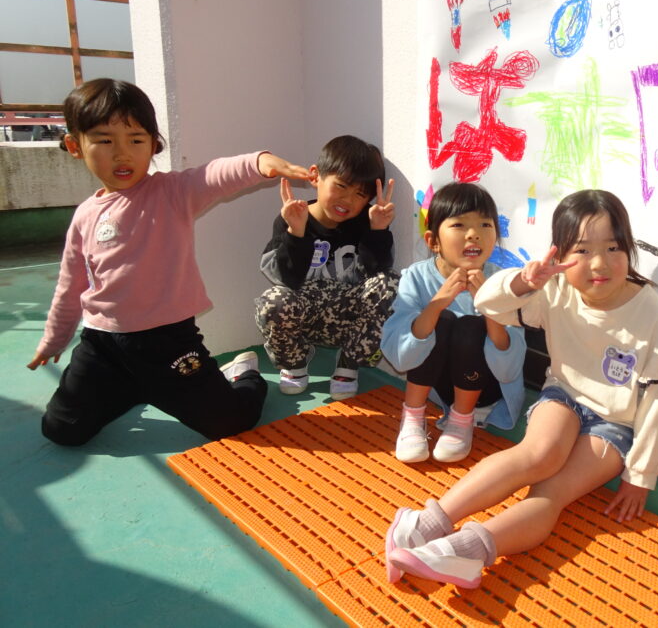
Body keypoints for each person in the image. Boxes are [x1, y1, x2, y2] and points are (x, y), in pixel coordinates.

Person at [384, 189, 658, 588]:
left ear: (628, 248)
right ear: (560, 253)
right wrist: (522, 281)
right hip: (564, 396)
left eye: (613, 247)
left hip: (615, 425)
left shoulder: (653, 313)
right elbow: (491, 305)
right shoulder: (556, 288)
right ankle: (426, 523)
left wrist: (641, 475)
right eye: (582, 250)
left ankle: (464, 552)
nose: (599, 263)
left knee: (552, 492)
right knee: (537, 454)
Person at [29, 78, 314, 446]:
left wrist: (263, 162)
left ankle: (244, 375)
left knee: (230, 423)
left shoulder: (172, 192)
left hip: (170, 344)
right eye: (105, 141)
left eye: (136, 140)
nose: (122, 154)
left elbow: (215, 175)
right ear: (75, 145)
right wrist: (53, 340)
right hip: (102, 346)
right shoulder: (84, 216)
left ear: (153, 144)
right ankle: (133, 387)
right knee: (61, 429)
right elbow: (70, 285)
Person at [380, 182, 526, 463]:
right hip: (438, 387)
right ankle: (412, 417)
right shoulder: (416, 277)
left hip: (485, 389)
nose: (474, 234)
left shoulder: (503, 282)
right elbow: (400, 357)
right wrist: (437, 304)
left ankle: (462, 420)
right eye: (459, 225)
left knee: (470, 325)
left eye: (485, 225)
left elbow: (509, 370)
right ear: (433, 241)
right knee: (438, 318)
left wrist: (489, 306)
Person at [255, 135, 398, 401]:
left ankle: (348, 364)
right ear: (315, 176)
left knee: (391, 283)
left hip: (346, 321)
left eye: (360, 194)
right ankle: (295, 363)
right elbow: (285, 279)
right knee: (273, 300)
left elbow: (375, 275)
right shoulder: (292, 217)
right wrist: (296, 233)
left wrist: (378, 230)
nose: (348, 200)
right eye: (341, 186)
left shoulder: (366, 221)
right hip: (304, 318)